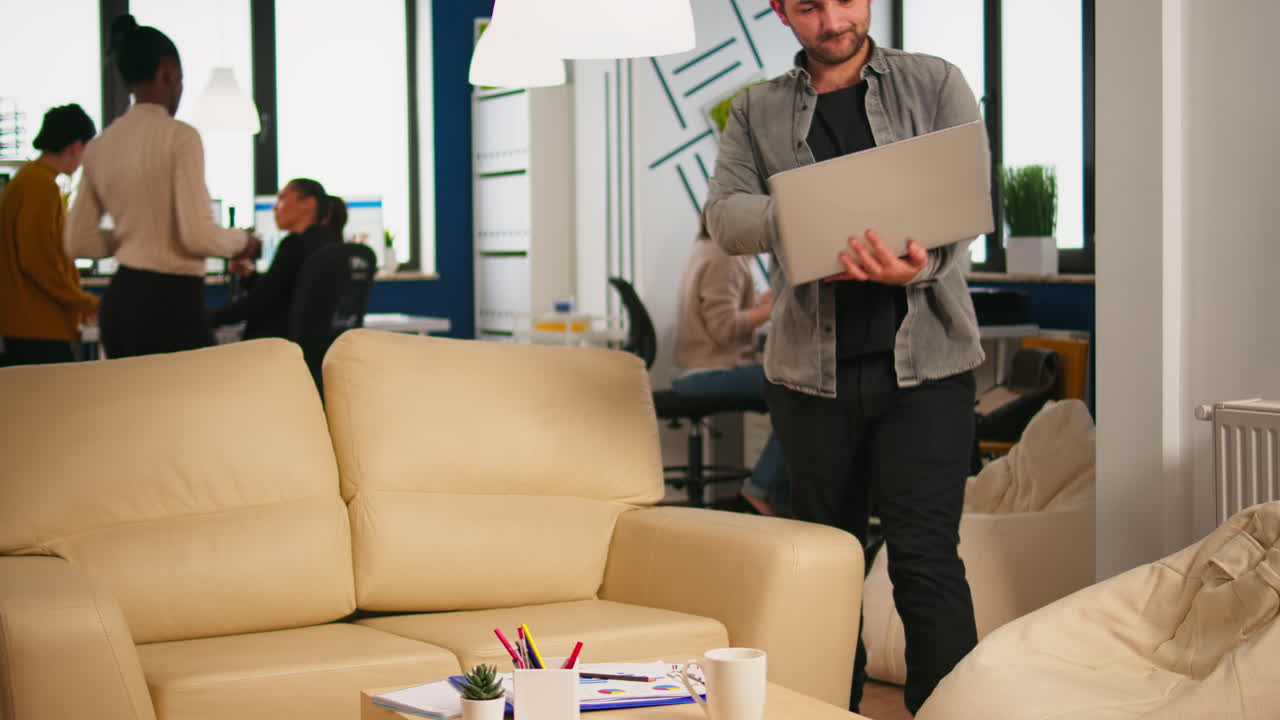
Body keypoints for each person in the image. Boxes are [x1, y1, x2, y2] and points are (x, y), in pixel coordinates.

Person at [704, 0, 985, 714]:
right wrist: (812, 216)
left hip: (930, 372)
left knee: (925, 563)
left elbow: (967, 201)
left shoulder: (935, 83)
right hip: (809, 380)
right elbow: (725, 216)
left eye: (845, 0)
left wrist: (914, 264)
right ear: (777, 9)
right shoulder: (755, 112)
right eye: (808, 7)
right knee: (828, 572)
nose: (833, 20)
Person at [65, 14, 258, 359]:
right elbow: (196, 235)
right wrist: (245, 241)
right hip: (170, 303)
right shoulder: (180, 137)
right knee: (192, 408)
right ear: (169, 72)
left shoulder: (100, 146)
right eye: (180, 78)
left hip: (121, 303)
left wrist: (133, 236)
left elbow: (78, 241)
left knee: (136, 410)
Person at [671, 218, 787, 516]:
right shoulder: (725, 256)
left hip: (694, 373)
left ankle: (768, 493)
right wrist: (772, 308)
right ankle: (761, 491)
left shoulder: (706, 249)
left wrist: (758, 305)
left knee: (798, 389)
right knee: (800, 389)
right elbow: (723, 329)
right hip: (709, 372)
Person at [0, 104, 101, 365]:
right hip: (37, 327)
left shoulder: (29, 180)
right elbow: (38, 261)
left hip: (30, 325)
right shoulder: (39, 186)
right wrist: (83, 301)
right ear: (76, 146)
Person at [212, 179, 337, 340]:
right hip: (303, 344)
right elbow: (279, 291)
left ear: (308, 203)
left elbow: (257, 302)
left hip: (275, 345)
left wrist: (208, 318)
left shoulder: (295, 245)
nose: (275, 207)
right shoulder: (324, 243)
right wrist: (249, 275)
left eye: (282, 199)